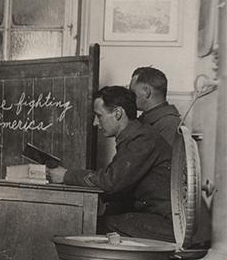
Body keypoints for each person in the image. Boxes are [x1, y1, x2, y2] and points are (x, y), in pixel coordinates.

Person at [48, 86, 174, 241]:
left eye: (99, 116)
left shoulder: (141, 140)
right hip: (166, 219)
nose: (95, 123)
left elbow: (110, 181)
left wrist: (66, 176)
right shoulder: (135, 137)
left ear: (118, 113)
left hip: (173, 225)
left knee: (94, 225)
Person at [130, 66, 181, 142]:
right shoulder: (149, 120)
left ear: (146, 92)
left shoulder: (169, 123)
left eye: (133, 92)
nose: (130, 97)